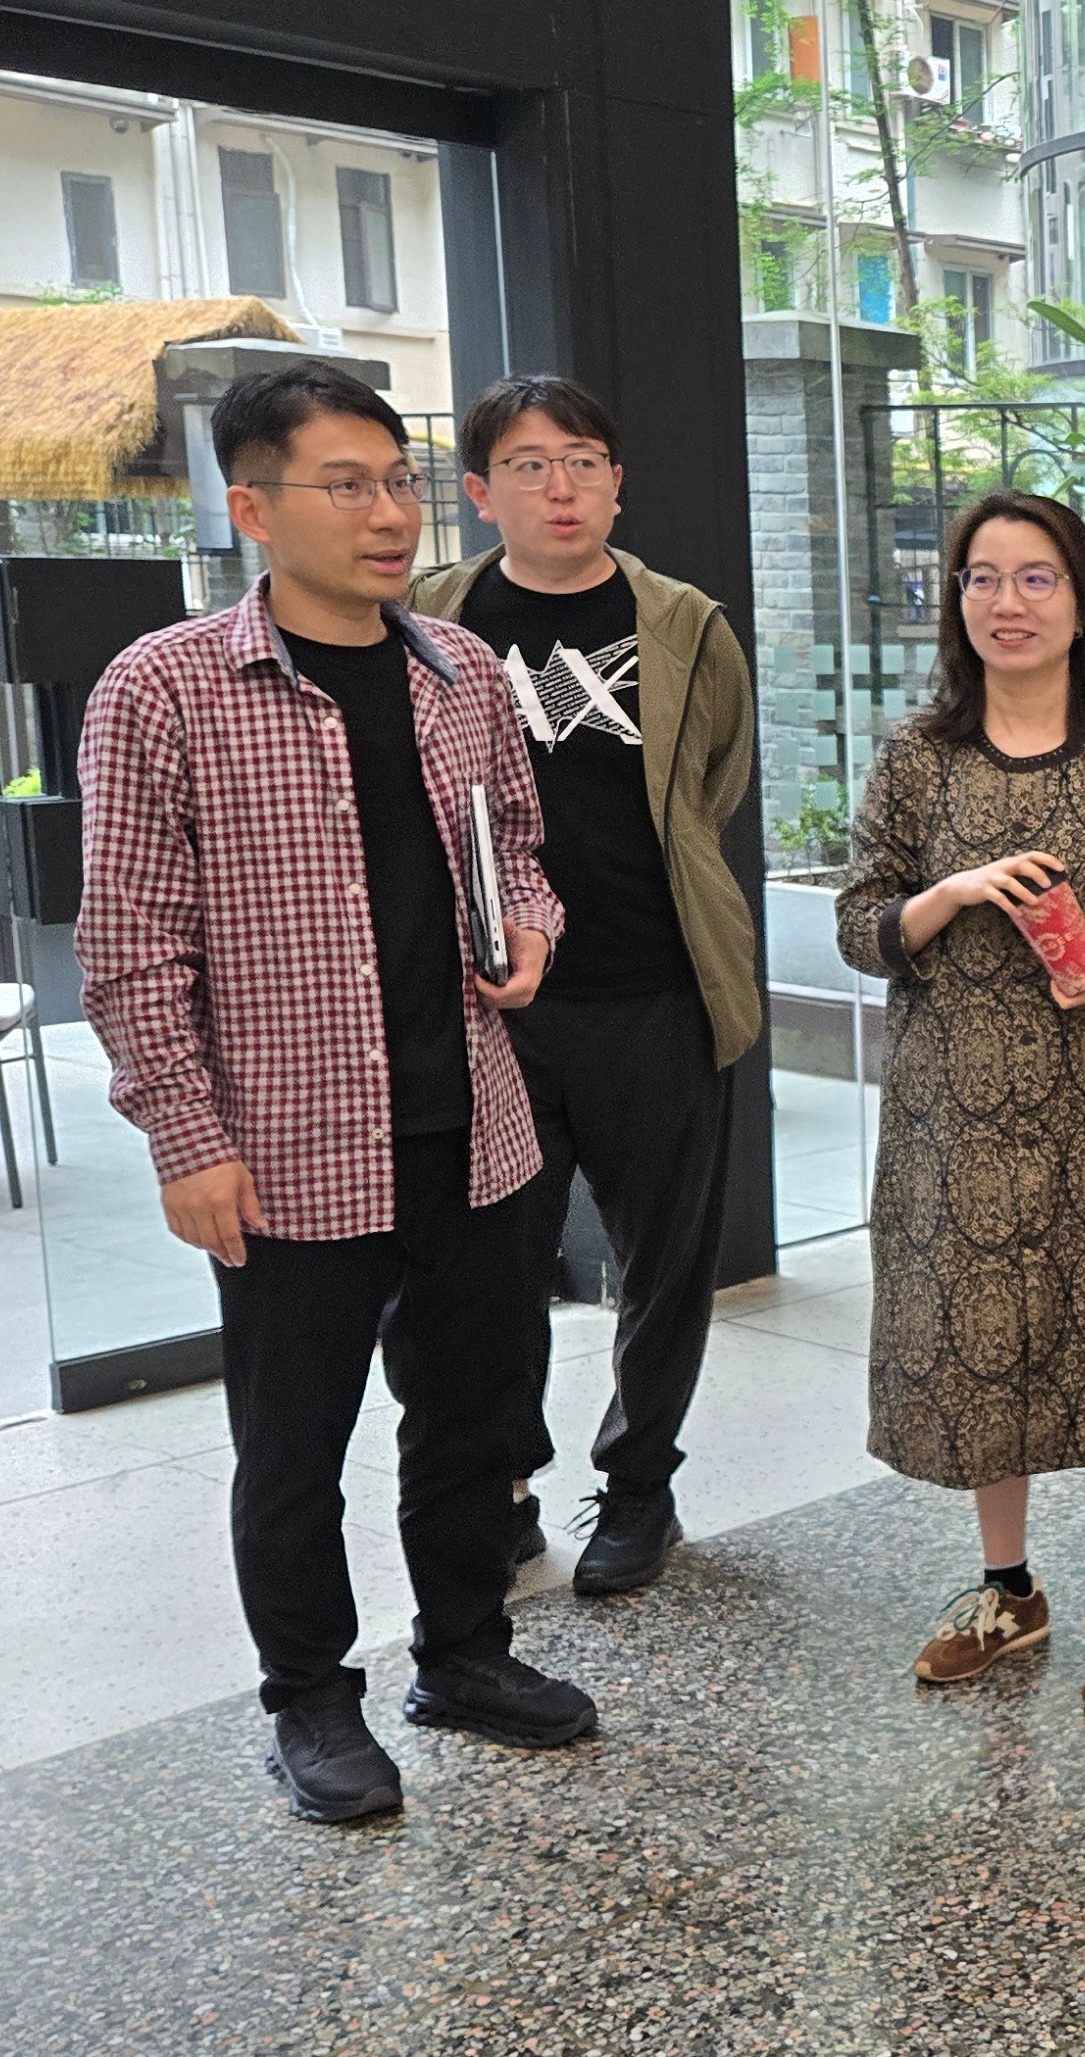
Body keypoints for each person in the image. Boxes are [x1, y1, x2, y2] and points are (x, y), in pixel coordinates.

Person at [77, 363, 594, 1825]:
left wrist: (532, 928)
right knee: (294, 1445)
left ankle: (466, 1653)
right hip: (286, 1143)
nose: (388, 515)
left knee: (474, 1418)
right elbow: (128, 944)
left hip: (475, 1125)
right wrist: (185, 1137)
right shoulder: (165, 686)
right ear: (252, 508)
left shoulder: (459, 671)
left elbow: (522, 848)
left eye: (398, 483)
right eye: (346, 486)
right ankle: (309, 1698)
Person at [832, 490, 1085, 1716]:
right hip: (957, 1109)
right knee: (982, 1340)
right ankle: (1007, 1587)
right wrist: (951, 892)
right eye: (980, 577)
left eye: (1035, 577)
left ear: (1080, 603)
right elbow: (858, 923)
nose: (1005, 602)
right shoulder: (918, 757)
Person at [409, 374, 760, 1600]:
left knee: (662, 1263)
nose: (559, 487)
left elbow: (711, 783)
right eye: (527, 464)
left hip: (656, 987)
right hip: (489, 1003)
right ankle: (504, 1485)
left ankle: (640, 1483)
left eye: (583, 461)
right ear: (478, 489)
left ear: (617, 483)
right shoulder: (431, 617)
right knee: (491, 1266)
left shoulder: (686, 624)